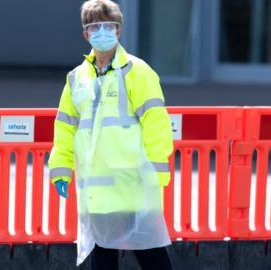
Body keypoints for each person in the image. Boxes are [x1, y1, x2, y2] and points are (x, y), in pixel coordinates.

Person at [48, 0, 174, 269]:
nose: (102, 31)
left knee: (151, 254)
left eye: (109, 26)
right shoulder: (76, 78)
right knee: (103, 259)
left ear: (119, 31)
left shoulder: (137, 72)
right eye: (95, 26)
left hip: (132, 184)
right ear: (86, 33)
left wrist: (157, 172)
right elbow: (65, 127)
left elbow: (156, 123)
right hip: (96, 190)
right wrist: (60, 168)